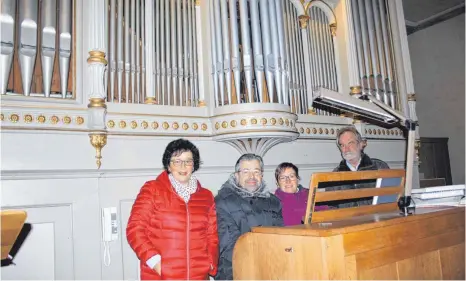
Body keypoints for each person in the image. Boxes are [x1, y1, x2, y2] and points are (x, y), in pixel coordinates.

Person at [126, 139, 218, 280]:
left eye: (188, 161)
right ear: (168, 165)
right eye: (177, 161)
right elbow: (135, 230)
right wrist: (155, 262)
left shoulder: (206, 196)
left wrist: (210, 263)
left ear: (194, 165)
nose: (183, 166)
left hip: (198, 276)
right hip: (162, 275)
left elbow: (212, 235)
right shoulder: (152, 190)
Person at [215, 154, 283, 280]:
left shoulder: (273, 201)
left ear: (262, 175)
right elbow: (229, 248)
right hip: (236, 271)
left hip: (270, 269)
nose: (252, 177)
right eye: (246, 171)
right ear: (237, 175)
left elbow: (279, 237)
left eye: (256, 172)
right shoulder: (223, 202)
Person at [327, 126, 390, 207]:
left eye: (350, 143)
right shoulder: (334, 176)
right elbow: (332, 209)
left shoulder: (379, 167)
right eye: (342, 145)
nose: (346, 149)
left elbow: (390, 200)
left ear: (360, 145)